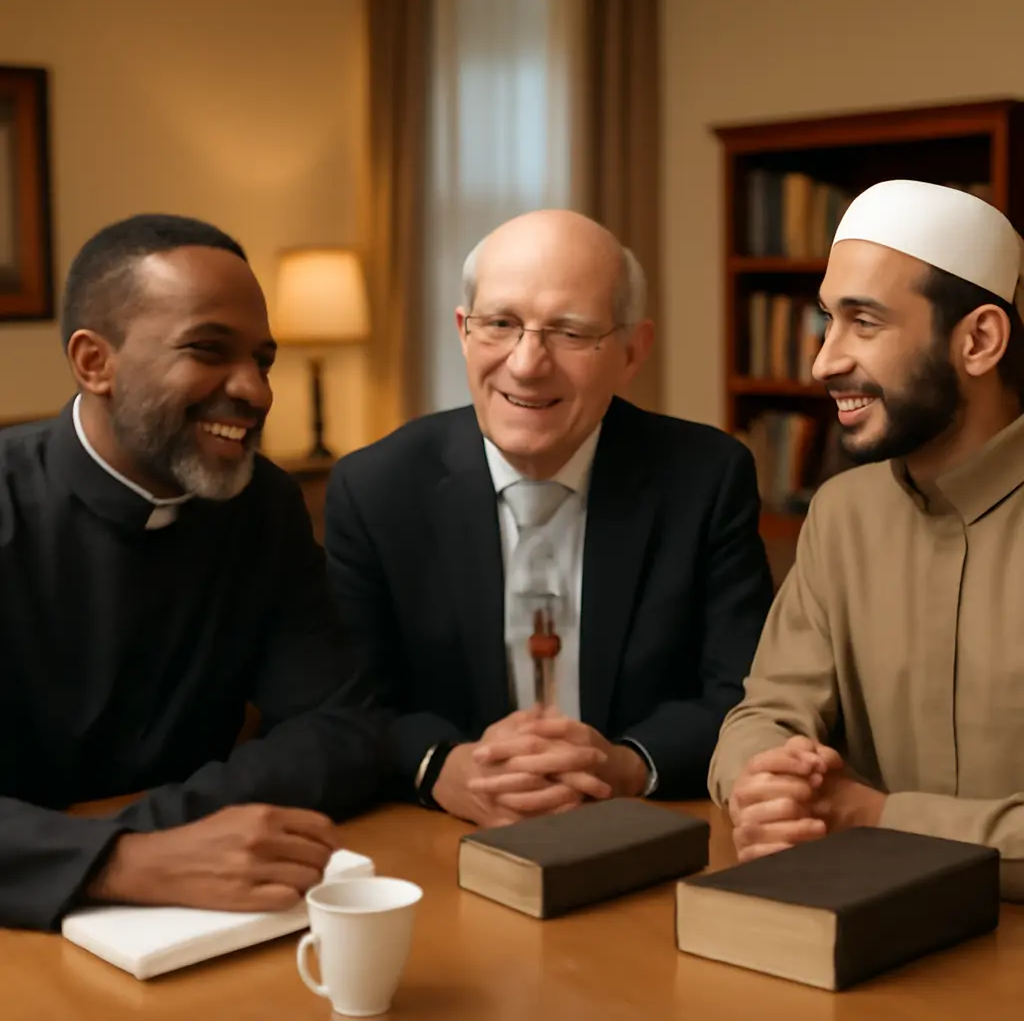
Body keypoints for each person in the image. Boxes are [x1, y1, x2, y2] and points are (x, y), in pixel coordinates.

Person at [324, 209, 773, 826]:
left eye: (569, 332)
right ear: (463, 331)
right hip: (442, 835)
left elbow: (743, 692)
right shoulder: (376, 488)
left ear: (631, 351)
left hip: (643, 831)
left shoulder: (706, 478)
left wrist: (629, 765)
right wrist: (442, 767)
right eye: (501, 324)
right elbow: (345, 700)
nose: (528, 363)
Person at [0, 214, 383, 932]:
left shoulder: (263, 503)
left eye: (262, 359)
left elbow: (340, 726)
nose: (256, 391)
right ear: (94, 363)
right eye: (209, 350)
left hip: (205, 911)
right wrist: (121, 860)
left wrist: (157, 831)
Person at [707, 179, 1024, 899]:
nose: (823, 361)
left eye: (865, 322)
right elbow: (763, 714)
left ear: (978, 341)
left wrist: (882, 818)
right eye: (828, 319)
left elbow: (864, 816)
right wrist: (764, 784)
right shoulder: (842, 514)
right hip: (857, 936)